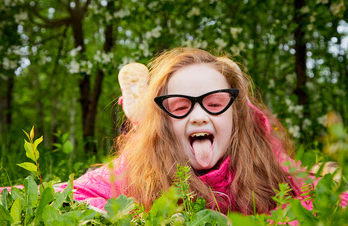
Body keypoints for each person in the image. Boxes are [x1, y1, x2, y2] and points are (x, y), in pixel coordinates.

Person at [60, 47, 305, 214]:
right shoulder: (139, 165)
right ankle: (143, 115)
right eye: (180, 106)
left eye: (215, 104)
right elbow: (61, 196)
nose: (199, 117)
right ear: (164, 122)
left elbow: (332, 199)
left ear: (235, 114)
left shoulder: (266, 156)